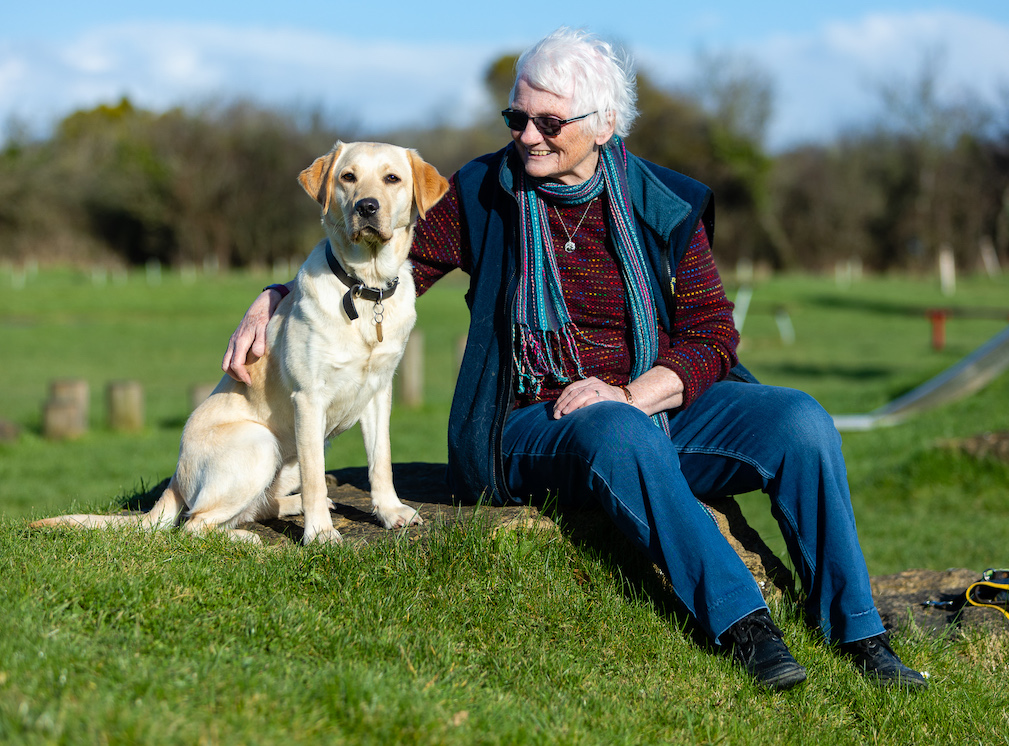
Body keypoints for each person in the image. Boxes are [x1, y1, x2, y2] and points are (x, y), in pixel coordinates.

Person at [222, 27, 927, 691]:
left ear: (604, 124)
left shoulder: (662, 200)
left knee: (798, 419)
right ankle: (745, 627)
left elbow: (714, 333)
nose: (526, 137)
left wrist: (634, 393)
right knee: (612, 433)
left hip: (643, 403)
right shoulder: (482, 193)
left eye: (547, 124)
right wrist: (278, 295)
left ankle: (857, 633)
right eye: (516, 118)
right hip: (528, 420)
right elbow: (383, 265)